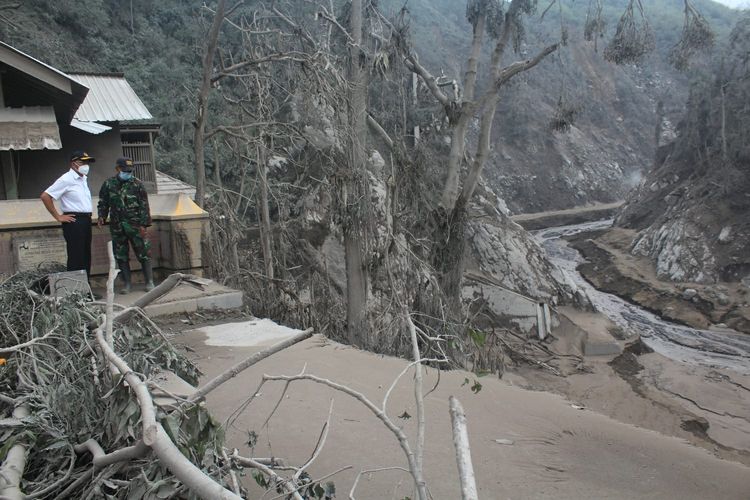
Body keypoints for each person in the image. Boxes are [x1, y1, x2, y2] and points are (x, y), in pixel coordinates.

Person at [97, 157, 154, 294]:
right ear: (117, 169)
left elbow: (144, 206)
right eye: (124, 170)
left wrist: (144, 224)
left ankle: (149, 281)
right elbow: (103, 202)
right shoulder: (108, 184)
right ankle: (127, 284)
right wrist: (101, 216)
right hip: (117, 226)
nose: (127, 173)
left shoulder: (137, 184)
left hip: (135, 225)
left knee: (144, 253)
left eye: (129, 171)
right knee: (121, 255)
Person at [40, 150, 95, 277]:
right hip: (74, 220)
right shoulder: (66, 179)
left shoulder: (83, 179)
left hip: (86, 219)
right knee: (76, 256)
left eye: (87, 162)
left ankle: (85, 288)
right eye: (83, 162)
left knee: (86, 255)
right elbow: (45, 196)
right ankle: (75, 290)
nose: (86, 165)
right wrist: (58, 216)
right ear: (73, 163)